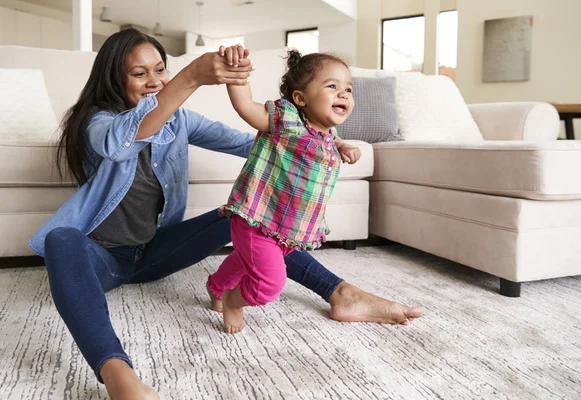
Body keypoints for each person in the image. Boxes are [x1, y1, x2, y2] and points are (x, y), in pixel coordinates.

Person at [28, 28, 422, 399]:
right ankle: (118, 375)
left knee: (243, 214)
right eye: (139, 73)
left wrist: (319, 143)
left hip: (153, 252)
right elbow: (122, 142)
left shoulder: (179, 120)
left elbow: (250, 142)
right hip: (100, 259)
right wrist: (191, 77)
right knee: (61, 238)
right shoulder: (97, 123)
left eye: (161, 70)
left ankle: (342, 294)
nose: (155, 81)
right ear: (115, 80)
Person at [207, 48, 362, 334]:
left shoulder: (328, 134)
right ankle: (232, 298)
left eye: (348, 89)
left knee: (245, 260)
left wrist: (344, 146)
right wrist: (236, 74)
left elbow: (333, 141)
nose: (343, 94)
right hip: (259, 218)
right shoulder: (287, 120)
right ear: (301, 99)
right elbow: (247, 107)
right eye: (332, 86)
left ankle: (217, 285)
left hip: (288, 227)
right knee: (269, 284)